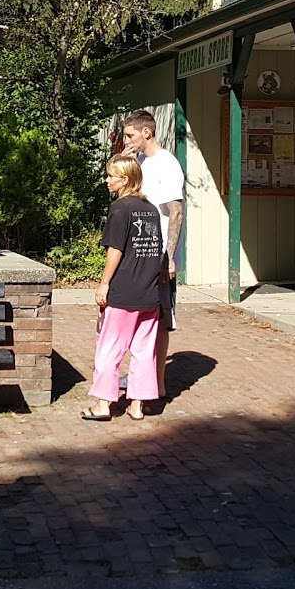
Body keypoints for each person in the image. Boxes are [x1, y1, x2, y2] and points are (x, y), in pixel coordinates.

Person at [83, 154, 165, 422]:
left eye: (111, 175)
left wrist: (104, 283)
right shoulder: (151, 209)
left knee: (109, 348)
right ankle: (137, 405)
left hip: (123, 293)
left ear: (125, 179)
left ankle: (104, 404)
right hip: (149, 294)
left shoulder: (120, 208)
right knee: (143, 351)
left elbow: (115, 249)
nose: (107, 180)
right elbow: (158, 251)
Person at [121, 109, 183, 397]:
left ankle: (157, 384)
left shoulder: (167, 164)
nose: (127, 140)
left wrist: (168, 257)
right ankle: (139, 379)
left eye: (130, 135)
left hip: (158, 257)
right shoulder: (141, 162)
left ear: (147, 132)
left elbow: (176, 211)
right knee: (137, 317)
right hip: (138, 254)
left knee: (160, 321)